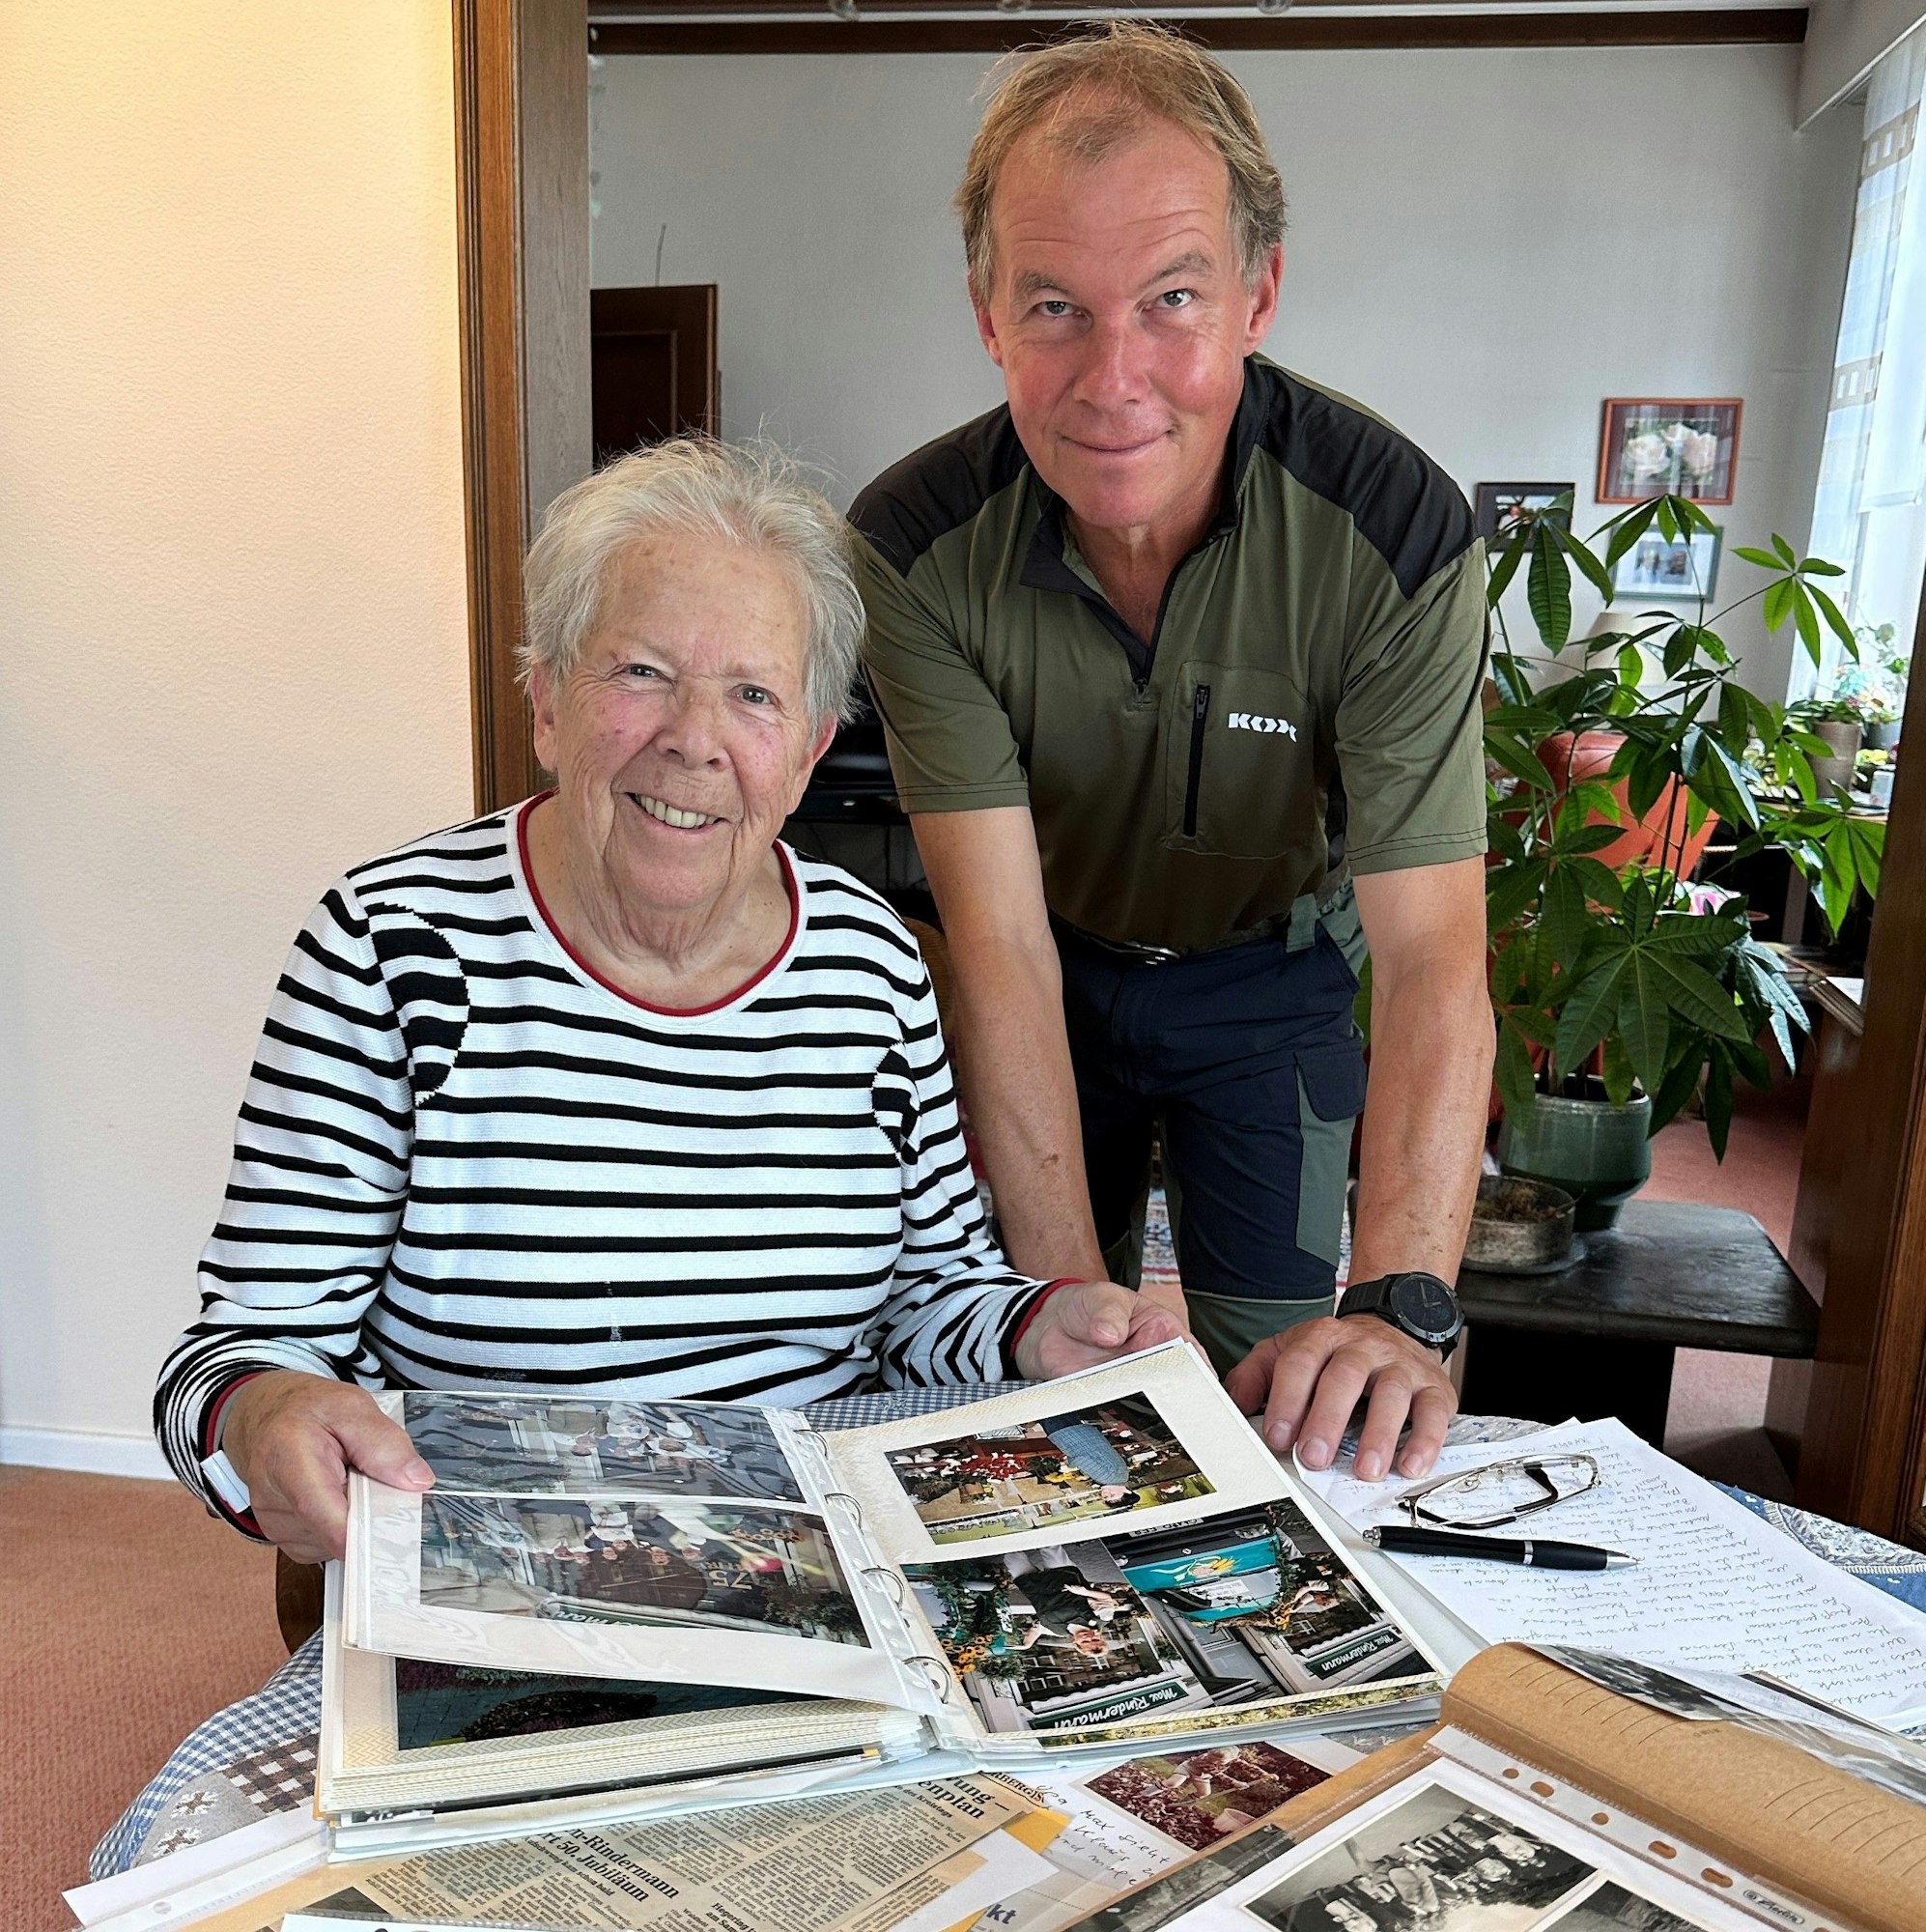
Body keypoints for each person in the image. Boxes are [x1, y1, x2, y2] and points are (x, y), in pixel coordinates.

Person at [156, 438, 1182, 1565]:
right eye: (640, 671)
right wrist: (259, 1416)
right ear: (547, 699)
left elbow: (929, 1301)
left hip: (816, 1569)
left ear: (805, 752)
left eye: (753, 694)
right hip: (503, 1564)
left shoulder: (871, 964)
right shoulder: (389, 945)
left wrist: (1039, 1327)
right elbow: (232, 1357)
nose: (694, 740)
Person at [848, 22, 1489, 1485]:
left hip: (1272, 985)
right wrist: (1067, 1306)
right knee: (1047, 1403)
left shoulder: (1395, 534)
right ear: (987, 313)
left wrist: (1399, 1303)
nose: (1114, 378)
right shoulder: (911, 548)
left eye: (1173, 299)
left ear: (1258, 294)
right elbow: (996, 942)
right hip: (1047, 975)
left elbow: (1436, 950)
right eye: (1056, 305)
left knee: (1304, 1405)